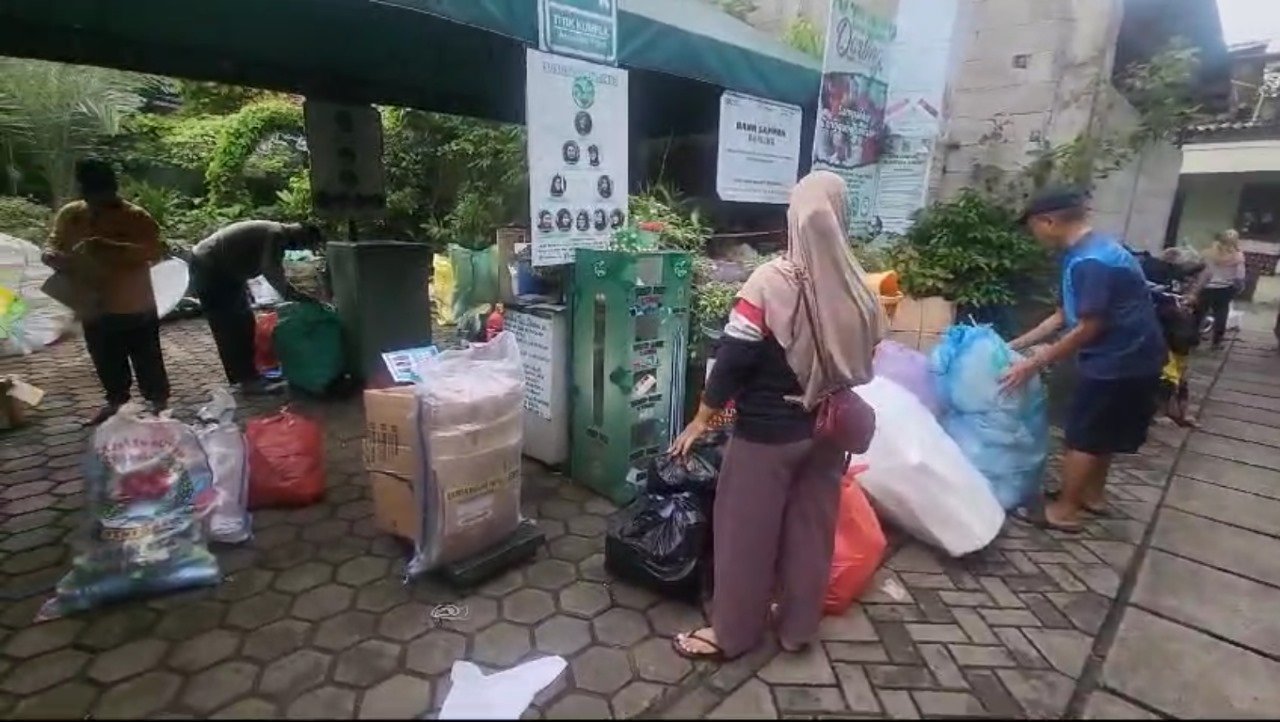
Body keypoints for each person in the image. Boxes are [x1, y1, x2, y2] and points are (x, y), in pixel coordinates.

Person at [666, 171, 886, 661]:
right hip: (829, 434)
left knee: (745, 535)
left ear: (795, 219)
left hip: (768, 436)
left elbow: (733, 360)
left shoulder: (771, 281)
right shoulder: (860, 287)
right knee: (812, 531)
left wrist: (702, 419)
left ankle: (734, 634)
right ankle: (797, 629)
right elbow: (871, 354)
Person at [1004, 188, 1166, 532]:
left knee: (1082, 436)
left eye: (1033, 226)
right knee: (1103, 433)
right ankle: (1091, 496)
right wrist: (1012, 345)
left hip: (1117, 359)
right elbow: (1065, 315)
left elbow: (1090, 327)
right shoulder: (1095, 249)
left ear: (1048, 221)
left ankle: (1064, 511)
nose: (1033, 234)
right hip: (1137, 356)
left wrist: (1035, 363)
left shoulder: (1090, 262)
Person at [43, 159, 170, 426]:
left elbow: (155, 252)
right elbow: (54, 242)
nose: (100, 203)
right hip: (92, 303)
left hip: (134, 302)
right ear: (84, 192)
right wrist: (51, 255)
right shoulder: (71, 215)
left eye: (105, 195)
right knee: (105, 357)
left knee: (147, 355)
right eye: (93, 197)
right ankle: (116, 403)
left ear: (113, 189)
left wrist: (109, 246)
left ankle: (157, 402)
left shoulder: (135, 216)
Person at [190, 220, 322, 394]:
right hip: (211, 268)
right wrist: (292, 294)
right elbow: (271, 270)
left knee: (243, 322)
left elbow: (252, 260)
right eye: (304, 246)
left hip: (223, 269)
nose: (299, 250)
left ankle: (247, 376)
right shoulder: (276, 235)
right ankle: (247, 381)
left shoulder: (274, 232)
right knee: (231, 325)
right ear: (301, 237)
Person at [1194, 229, 1246, 350]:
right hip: (1224, 288)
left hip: (1207, 287)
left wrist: (1197, 287)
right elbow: (1240, 276)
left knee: (1200, 313)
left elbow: (1202, 270)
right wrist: (1238, 287)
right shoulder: (1238, 256)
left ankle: (1193, 339)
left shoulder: (1208, 253)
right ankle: (1216, 342)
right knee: (1221, 314)